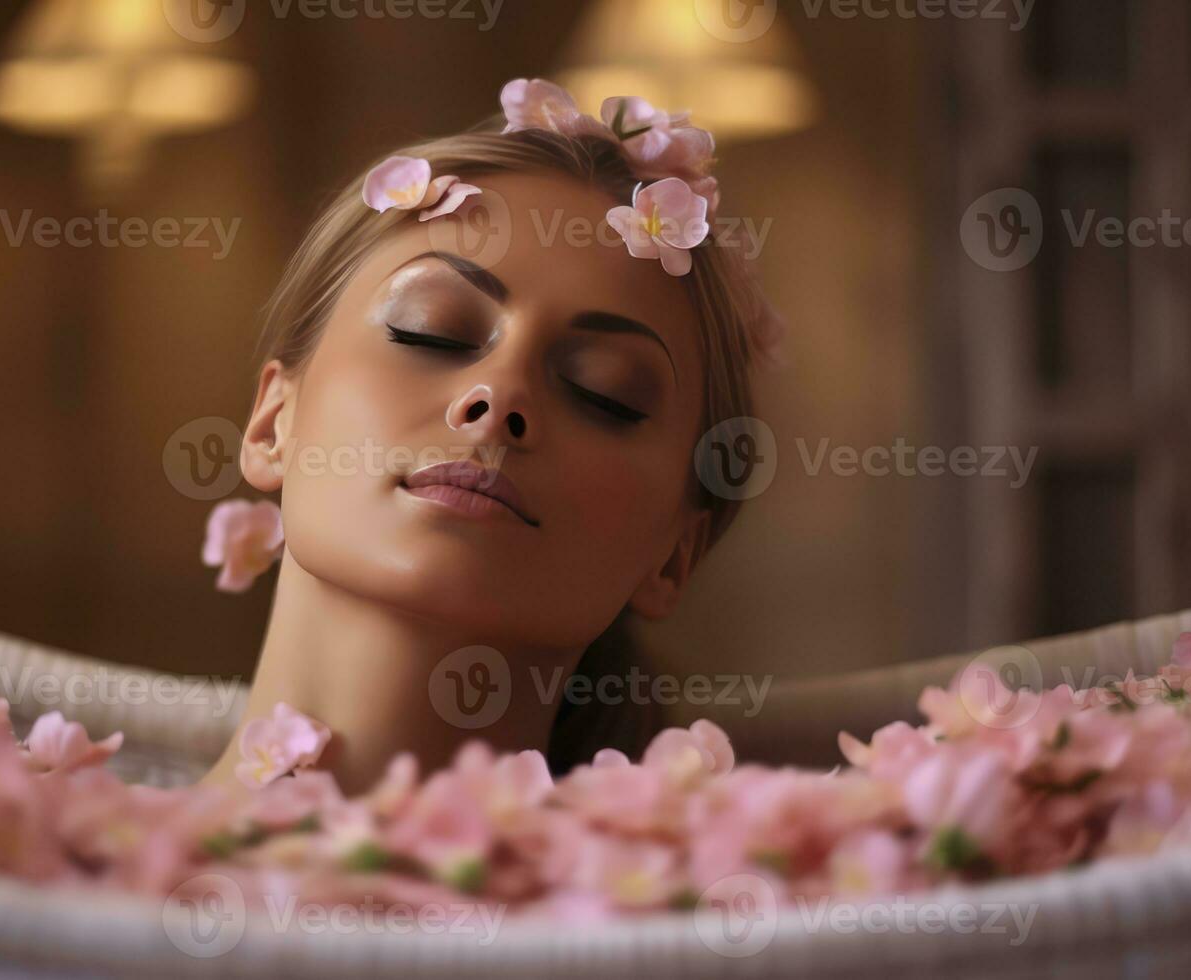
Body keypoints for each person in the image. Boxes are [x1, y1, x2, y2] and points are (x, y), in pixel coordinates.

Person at [200, 79, 780, 792]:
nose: (503, 394)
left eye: (606, 393)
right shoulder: (34, 861)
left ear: (673, 557)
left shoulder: (743, 894)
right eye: (430, 329)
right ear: (272, 424)